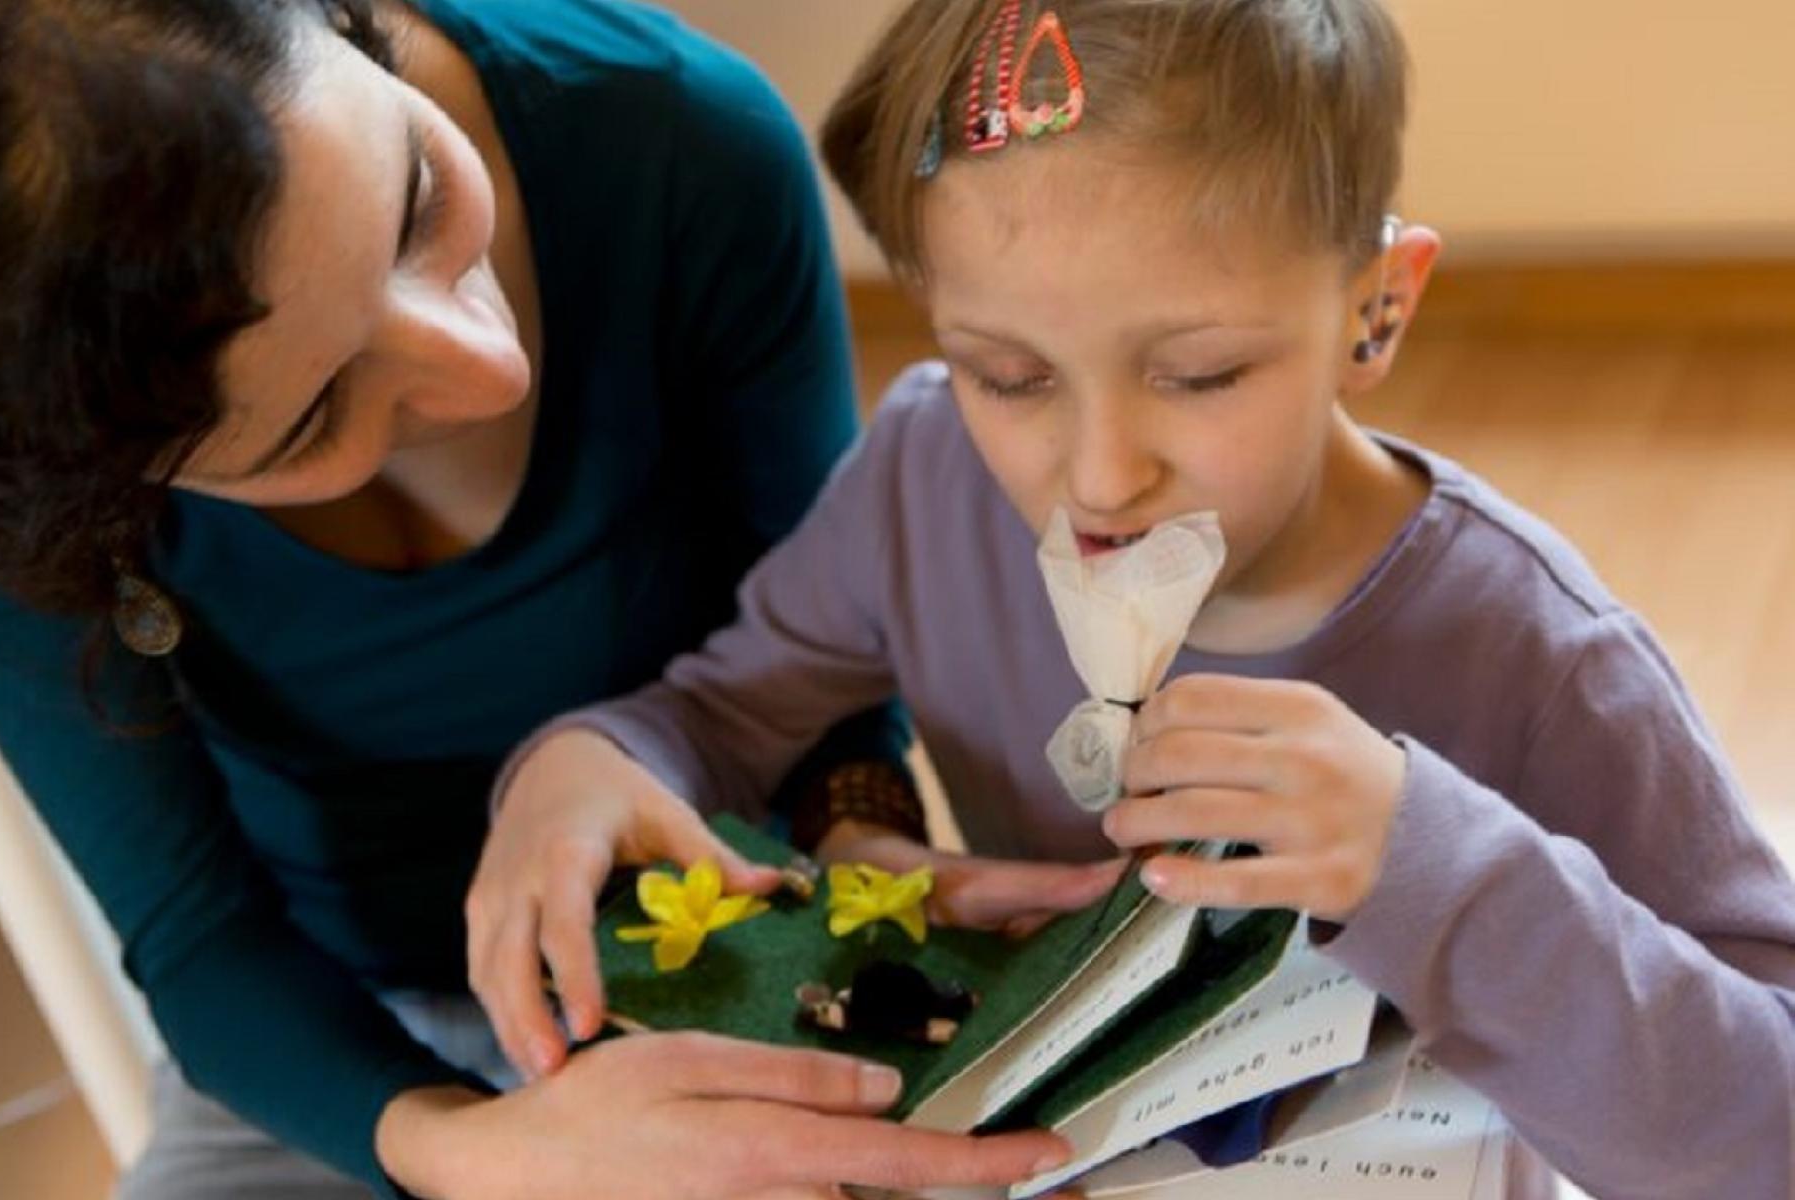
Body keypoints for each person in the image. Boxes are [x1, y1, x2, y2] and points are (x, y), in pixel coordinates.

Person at [485, 1, 1795, 1196]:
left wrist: (1433, 867)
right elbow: (722, 713)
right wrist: (591, 758)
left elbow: (1767, 1125)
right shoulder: (926, 477)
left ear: (1375, 314)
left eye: (1203, 375)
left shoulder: (1538, 657)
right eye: (1010, 375)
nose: (1103, 475)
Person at [0, 0, 1083, 1195]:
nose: (487, 363)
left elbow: (821, 669)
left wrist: (858, 850)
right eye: (314, 417)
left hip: (741, 934)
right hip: (345, 1036)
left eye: (415, 198)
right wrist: (475, 1152)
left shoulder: (672, 142)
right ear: (82, 504)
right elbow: (199, 933)